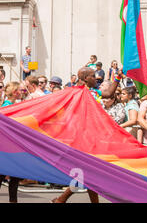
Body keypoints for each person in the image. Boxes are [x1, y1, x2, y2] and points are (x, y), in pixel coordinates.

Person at [52, 66, 122, 204]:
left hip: (94, 137)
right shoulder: (74, 92)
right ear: (85, 79)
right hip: (82, 137)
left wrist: (118, 78)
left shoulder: (93, 92)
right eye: (92, 76)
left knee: (89, 172)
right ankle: (62, 199)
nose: (95, 78)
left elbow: (108, 93)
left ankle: (62, 199)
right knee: (89, 172)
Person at [0, 82, 22, 203]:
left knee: (14, 176)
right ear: (15, 92)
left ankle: (10, 200)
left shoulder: (13, 104)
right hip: (8, 146)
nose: (22, 93)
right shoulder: (8, 105)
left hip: (13, 146)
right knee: (2, 175)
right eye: (20, 90)